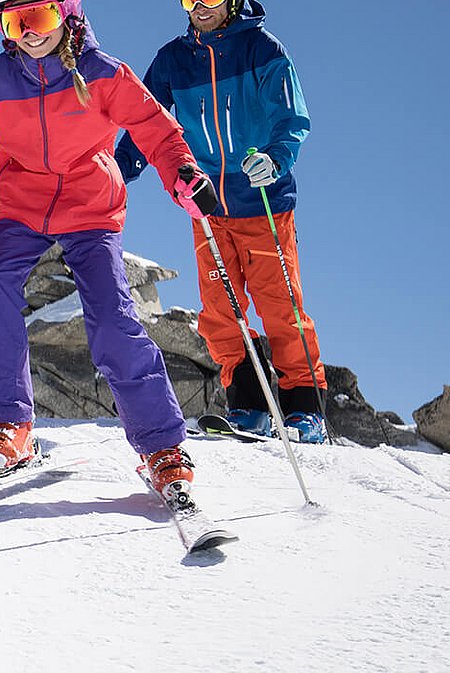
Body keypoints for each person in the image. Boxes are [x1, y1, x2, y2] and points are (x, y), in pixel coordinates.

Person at [0, 0, 222, 496]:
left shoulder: (103, 72)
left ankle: (162, 447)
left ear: (66, 16)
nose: (29, 32)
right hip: (22, 207)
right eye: (14, 22)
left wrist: (183, 174)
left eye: (40, 18)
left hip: (91, 209)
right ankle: (10, 426)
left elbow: (156, 130)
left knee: (112, 317)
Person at [114, 0, 326, 442]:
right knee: (219, 313)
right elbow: (146, 121)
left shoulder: (261, 50)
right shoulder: (174, 59)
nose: (199, 8)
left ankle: (305, 410)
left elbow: (292, 117)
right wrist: (120, 167)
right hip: (208, 207)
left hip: (264, 202)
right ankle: (248, 404)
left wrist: (276, 158)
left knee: (280, 308)